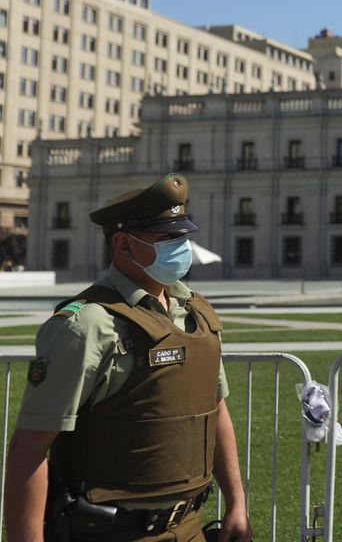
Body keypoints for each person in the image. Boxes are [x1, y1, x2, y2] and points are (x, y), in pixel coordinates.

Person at [3, 173, 251, 542]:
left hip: (191, 529)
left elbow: (217, 411)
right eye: (168, 238)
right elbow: (30, 447)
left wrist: (237, 503)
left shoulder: (194, 312)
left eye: (183, 236)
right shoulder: (86, 325)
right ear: (123, 244)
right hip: (110, 532)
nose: (181, 247)